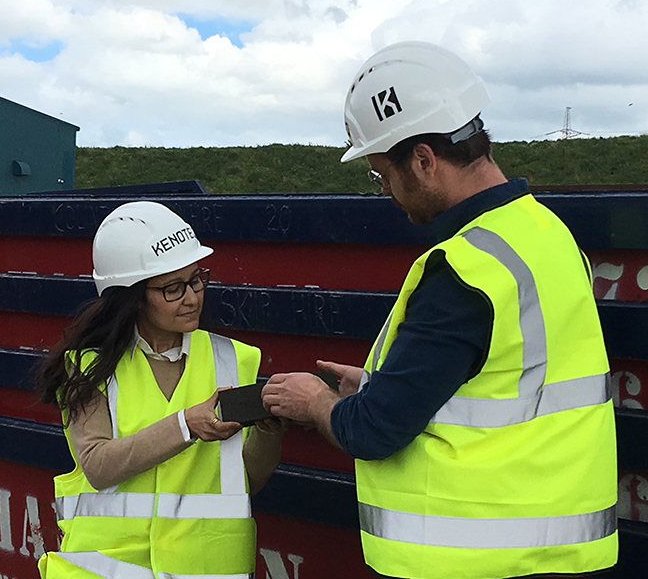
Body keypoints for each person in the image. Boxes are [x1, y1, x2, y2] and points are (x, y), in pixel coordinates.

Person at [261, 41, 617, 579]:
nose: (385, 191)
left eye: (382, 174)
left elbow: (373, 431)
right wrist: (382, 382)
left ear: (424, 161)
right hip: (557, 548)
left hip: (474, 559)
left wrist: (315, 402)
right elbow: (513, 383)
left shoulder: (464, 269)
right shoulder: (546, 233)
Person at [34, 201, 285, 579]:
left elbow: (241, 480)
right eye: (172, 288)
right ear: (131, 295)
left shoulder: (236, 359)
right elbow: (99, 466)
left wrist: (268, 435)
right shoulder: (88, 366)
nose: (192, 297)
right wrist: (186, 425)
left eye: (197, 279)